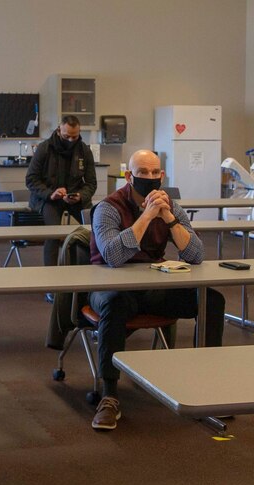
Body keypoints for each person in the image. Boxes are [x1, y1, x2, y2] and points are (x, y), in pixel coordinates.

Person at [88, 149, 226, 431]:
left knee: (210, 300)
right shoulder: (107, 208)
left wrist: (168, 218)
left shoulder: (171, 207)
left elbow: (196, 255)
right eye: (143, 173)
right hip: (109, 286)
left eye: (155, 173)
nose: (150, 178)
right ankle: (110, 395)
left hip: (152, 285)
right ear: (129, 176)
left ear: (162, 175)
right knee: (114, 304)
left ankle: (209, 383)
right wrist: (146, 216)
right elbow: (113, 256)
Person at [26, 115, 97, 266]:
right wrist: (50, 194)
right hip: (49, 198)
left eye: (74, 137)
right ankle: (51, 281)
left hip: (74, 198)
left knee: (95, 229)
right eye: (67, 136)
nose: (71, 140)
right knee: (54, 233)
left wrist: (81, 196)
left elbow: (91, 183)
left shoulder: (84, 151)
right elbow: (31, 179)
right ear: (59, 131)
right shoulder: (44, 148)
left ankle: (91, 271)